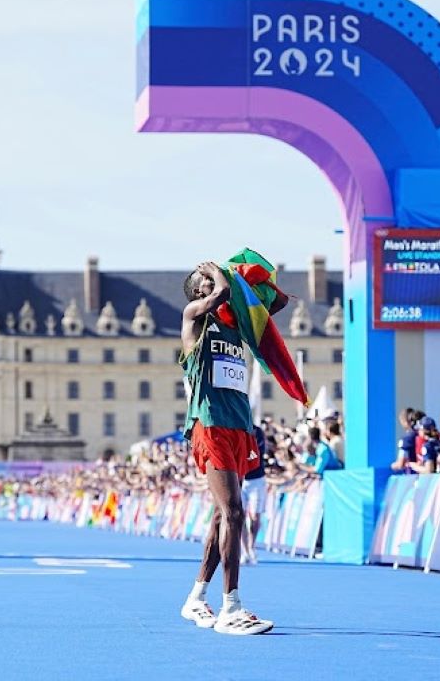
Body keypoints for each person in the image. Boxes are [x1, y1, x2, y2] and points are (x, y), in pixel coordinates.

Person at [177, 261, 273, 635]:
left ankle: (196, 598)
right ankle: (231, 606)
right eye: (204, 280)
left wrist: (257, 286)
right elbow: (219, 293)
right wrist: (220, 275)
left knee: (222, 516)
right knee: (234, 512)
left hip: (238, 425)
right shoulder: (194, 320)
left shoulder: (233, 326)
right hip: (211, 423)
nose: (213, 282)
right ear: (198, 291)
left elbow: (265, 311)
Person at [240, 424, 267, 566]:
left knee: (255, 517)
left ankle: (252, 545)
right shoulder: (235, 429)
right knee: (240, 517)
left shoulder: (258, 432)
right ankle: (245, 551)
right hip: (240, 480)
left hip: (257, 479)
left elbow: (256, 454)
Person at [391, 408, 424, 473]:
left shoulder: (406, 439)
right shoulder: (424, 434)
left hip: (412, 475)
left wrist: (393, 466)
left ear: (405, 422)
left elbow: (400, 464)